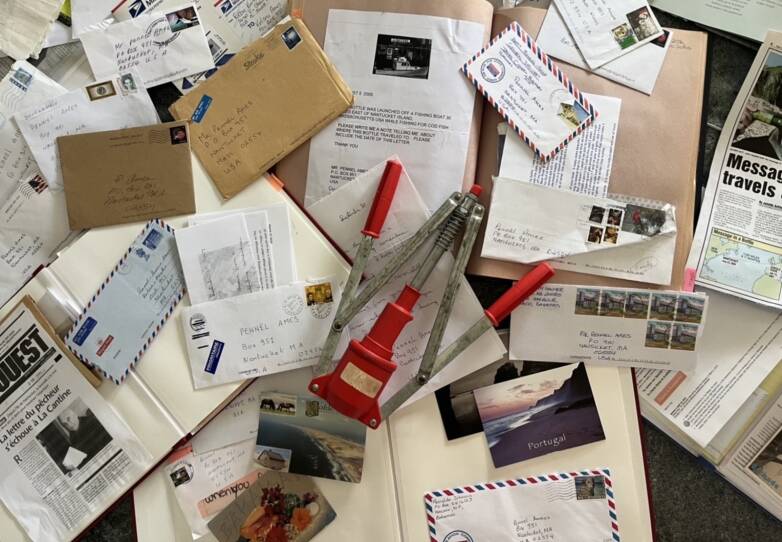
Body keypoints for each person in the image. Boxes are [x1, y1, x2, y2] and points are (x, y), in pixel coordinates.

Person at [57, 407, 112, 472]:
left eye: (68, 419)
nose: (69, 424)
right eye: (65, 424)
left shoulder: (92, 421)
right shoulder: (72, 438)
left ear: (74, 414)